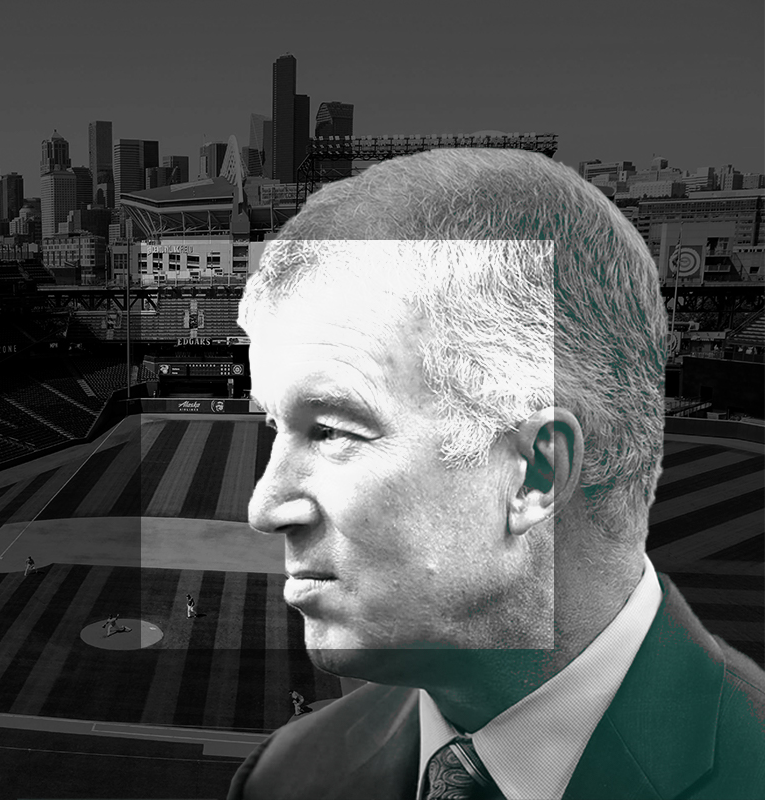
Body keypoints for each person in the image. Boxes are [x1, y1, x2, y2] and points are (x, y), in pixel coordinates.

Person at [227, 149, 765, 800]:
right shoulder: (285, 777)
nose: (265, 507)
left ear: (535, 474)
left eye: (333, 430)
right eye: (275, 426)